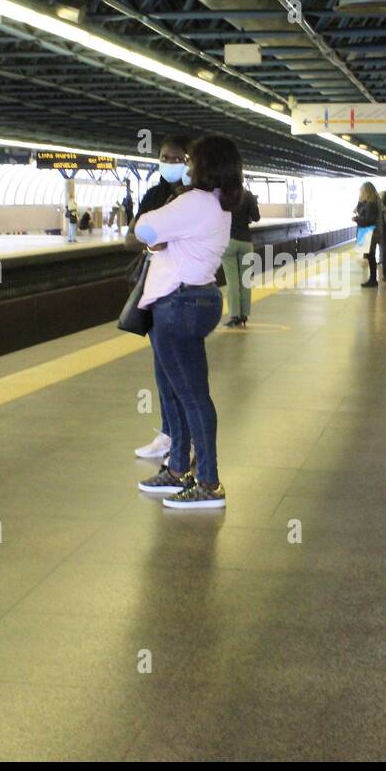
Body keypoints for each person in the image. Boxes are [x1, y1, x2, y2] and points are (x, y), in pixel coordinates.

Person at [133, 134, 239, 509]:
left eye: (193, 159)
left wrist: (156, 240)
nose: (188, 164)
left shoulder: (195, 202)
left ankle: (208, 482)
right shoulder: (219, 206)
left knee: (190, 395)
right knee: (176, 390)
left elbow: (143, 228)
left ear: (206, 165)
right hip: (194, 299)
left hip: (178, 303)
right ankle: (177, 468)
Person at [128, 136, 191, 461]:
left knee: (179, 369)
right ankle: (169, 434)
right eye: (165, 156)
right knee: (162, 366)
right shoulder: (153, 193)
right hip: (155, 285)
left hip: (183, 290)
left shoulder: (195, 196)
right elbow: (131, 234)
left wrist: (158, 237)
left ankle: (184, 443)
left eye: (176, 157)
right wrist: (153, 241)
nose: (169, 162)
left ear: (188, 161)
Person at [221, 186, 261, 328]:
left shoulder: (224, 195)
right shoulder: (248, 195)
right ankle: (244, 315)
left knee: (232, 281)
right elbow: (256, 217)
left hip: (229, 241)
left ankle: (235, 315)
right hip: (246, 241)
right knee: (245, 280)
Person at [354, 182, 382, 288]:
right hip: (370, 232)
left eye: (361, 191)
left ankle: (373, 280)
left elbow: (368, 220)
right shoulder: (372, 201)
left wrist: (356, 219)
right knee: (371, 256)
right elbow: (360, 210)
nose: (360, 193)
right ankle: (373, 279)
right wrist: (360, 202)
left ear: (366, 191)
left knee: (371, 257)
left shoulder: (371, 203)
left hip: (369, 232)